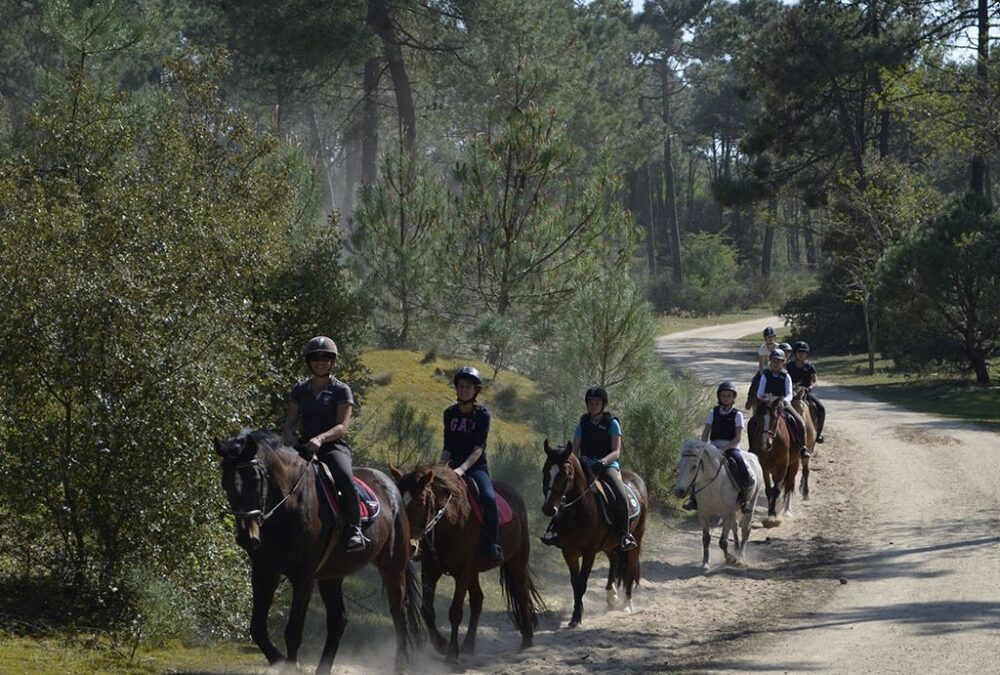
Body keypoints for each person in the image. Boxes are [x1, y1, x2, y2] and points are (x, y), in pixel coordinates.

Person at [283, 336, 368, 552]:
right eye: (315, 358)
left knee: (345, 477)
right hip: (303, 445)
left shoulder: (341, 390)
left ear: (332, 362)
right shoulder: (299, 389)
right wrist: (292, 439)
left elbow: (342, 426)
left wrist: (320, 438)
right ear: (309, 361)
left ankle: (355, 528)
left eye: (325, 358)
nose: (320, 362)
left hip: (332, 446)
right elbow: (290, 423)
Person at [440, 366, 503, 564]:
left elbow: (478, 448)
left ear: (476, 390)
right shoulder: (449, 413)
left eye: (468, 386)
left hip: (475, 468)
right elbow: (447, 446)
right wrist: (440, 467)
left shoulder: (482, 415)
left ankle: (492, 543)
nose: (464, 389)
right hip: (452, 466)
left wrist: (463, 469)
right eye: (460, 386)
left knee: (488, 498)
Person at [575, 386, 637, 552]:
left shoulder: (612, 423)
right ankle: (555, 530)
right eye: (591, 402)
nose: (593, 405)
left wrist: (602, 462)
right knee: (565, 491)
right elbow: (574, 450)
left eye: (597, 402)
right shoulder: (582, 424)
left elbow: (616, 452)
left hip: (607, 467)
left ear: (603, 404)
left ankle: (625, 534)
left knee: (619, 493)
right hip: (585, 467)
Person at [684, 382, 755, 514]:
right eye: (723, 396)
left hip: (731, 447)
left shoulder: (737, 415)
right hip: (713, 446)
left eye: (729, 396)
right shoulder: (713, 412)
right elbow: (706, 431)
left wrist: (724, 449)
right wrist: (702, 446)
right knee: (696, 466)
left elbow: (738, 437)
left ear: (733, 397)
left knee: (740, 465)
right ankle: (693, 498)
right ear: (719, 397)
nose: (726, 398)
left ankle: (744, 499)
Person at [756, 349, 810, 458]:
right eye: (774, 361)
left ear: (783, 362)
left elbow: (789, 394)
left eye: (779, 361)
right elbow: (759, 393)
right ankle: (753, 446)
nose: (776, 364)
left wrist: (783, 401)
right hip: (767, 404)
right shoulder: (765, 375)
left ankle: (802, 447)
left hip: (782, 404)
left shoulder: (786, 376)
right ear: (770, 361)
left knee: (799, 421)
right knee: (753, 422)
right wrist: (765, 400)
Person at [787, 341, 826, 443]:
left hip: (806, 393)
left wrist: (809, 387)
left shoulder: (809, 366)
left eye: (804, 352)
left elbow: (814, 380)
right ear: (795, 353)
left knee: (821, 408)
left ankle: (819, 433)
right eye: (800, 352)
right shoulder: (789, 366)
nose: (802, 354)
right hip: (791, 393)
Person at [747, 326, 779, 409]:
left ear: (774, 337)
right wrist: (761, 374)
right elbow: (761, 363)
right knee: (754, 382)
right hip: (764, 371)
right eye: (768, 337)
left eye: (772, 337)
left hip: (776, 371)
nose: (770, 339)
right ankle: (749, 400)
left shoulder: (778, 348)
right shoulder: (762, 348)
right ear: (765, 338)